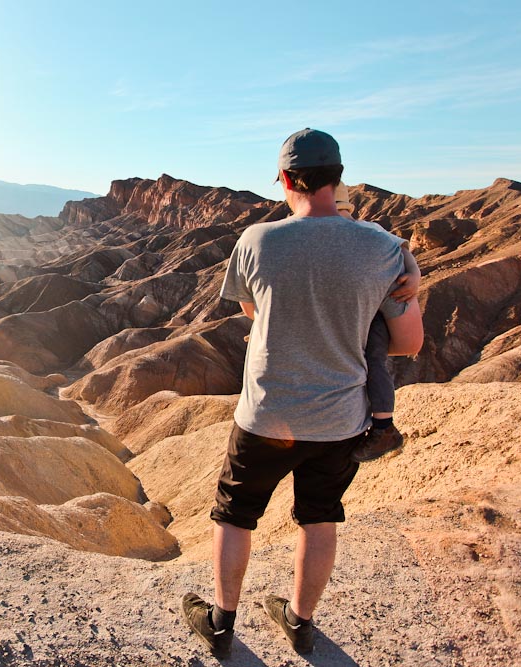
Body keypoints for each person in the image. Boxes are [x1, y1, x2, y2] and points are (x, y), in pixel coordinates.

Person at [181, 128, 424, 658]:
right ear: (337, 178)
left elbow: (251, 312)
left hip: (267, 415)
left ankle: (221, 623)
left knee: (235, 513)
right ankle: (300, 622)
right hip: (342, 419)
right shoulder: (384, 248)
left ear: (288, 179)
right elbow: (409, 343)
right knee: (319, 517)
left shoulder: (257, 241)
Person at [333, 182, 422, 462]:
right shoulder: (345, 234)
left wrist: (415, 273)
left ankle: (384, 427)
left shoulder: (371, 231)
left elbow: (403, 248)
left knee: (373, 360)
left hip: (375, 316)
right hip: (355, 310)